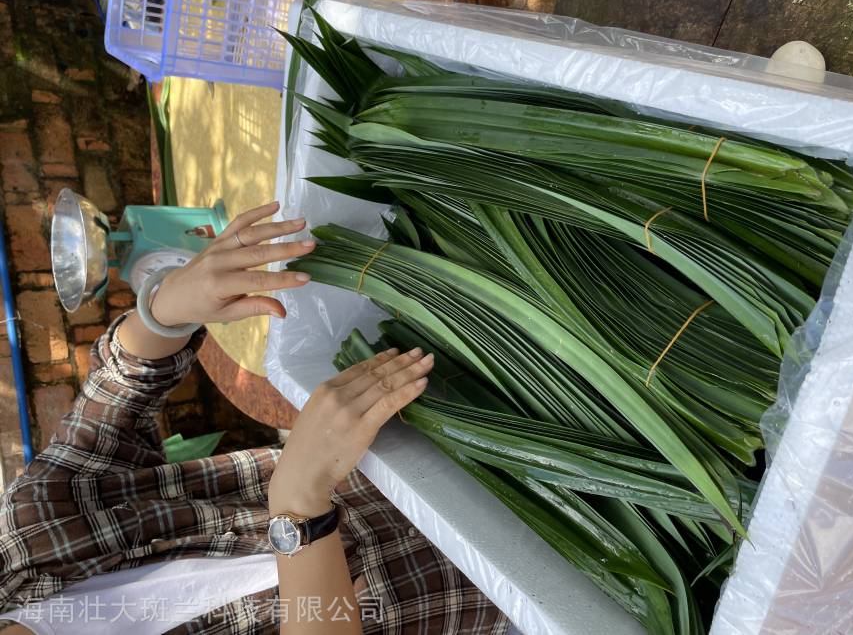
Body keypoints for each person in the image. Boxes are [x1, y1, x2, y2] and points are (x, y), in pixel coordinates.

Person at [0, 202, 508, 634]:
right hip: (517, 594)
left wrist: (168, 306)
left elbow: (117, 386)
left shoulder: (29, 546)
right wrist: (297, 510)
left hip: (439, 448)